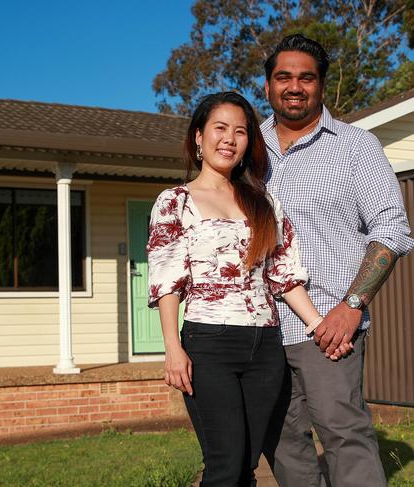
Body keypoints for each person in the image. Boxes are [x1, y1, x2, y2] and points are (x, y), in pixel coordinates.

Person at [147, 91, 344, 486]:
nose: (230, 139)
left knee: (247, 467)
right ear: (198, 138)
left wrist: (320, 327)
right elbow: (168, 280)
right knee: (225, 466)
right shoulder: (174, 202)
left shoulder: (263, 201)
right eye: (220, 128)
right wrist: (173, 349)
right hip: (208, 345)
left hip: (264, 347)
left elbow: (285, 275)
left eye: (240, 132)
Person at [261, 34, 414, 487]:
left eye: (306, 77)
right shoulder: (247, 150)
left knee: (344, 436)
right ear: (267, 86)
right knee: (283, 443)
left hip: (327, 329)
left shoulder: (356, 147)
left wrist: (353, 307)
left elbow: (392, 232)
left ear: (321, 86)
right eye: (283, 77)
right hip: (259, 329)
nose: (294, 86)